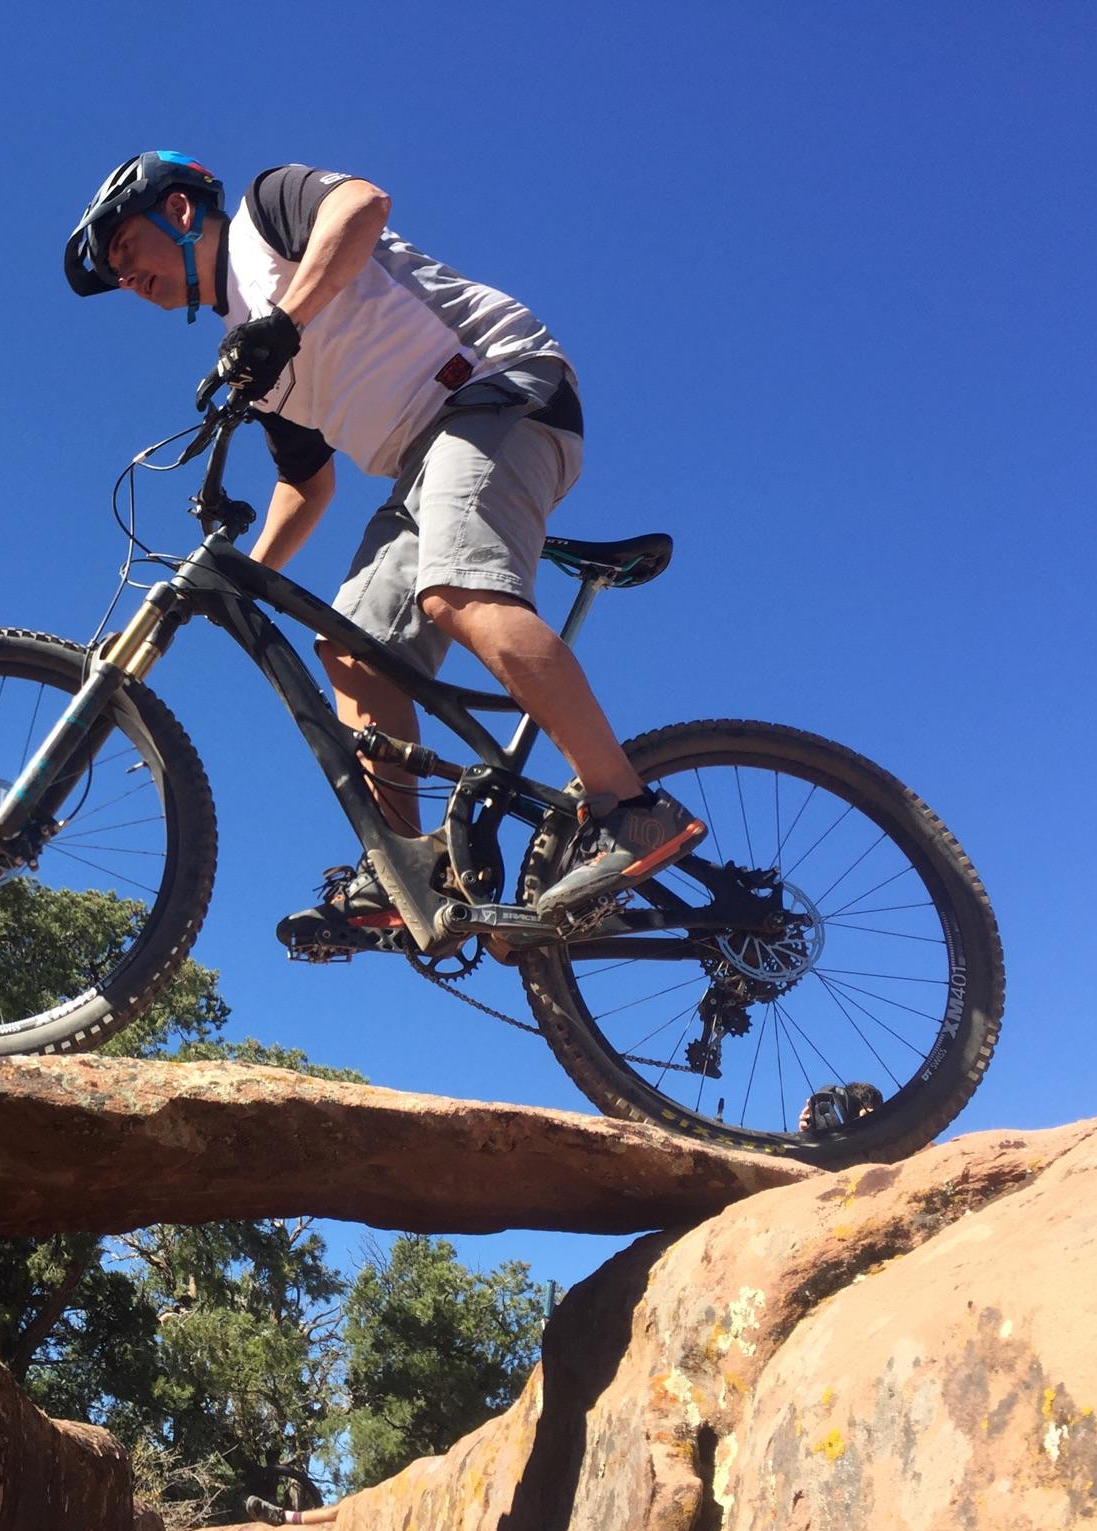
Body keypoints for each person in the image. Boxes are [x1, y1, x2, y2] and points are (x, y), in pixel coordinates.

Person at [64, 151, 705, 941]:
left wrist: (283, 323)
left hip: (502, 388)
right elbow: (307, 485)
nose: (124, 277)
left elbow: (362, 206)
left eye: (124, 249)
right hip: (422, 462)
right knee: (353, 646)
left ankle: (631, 808)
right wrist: (248, 576)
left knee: (456, 590)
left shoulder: (270, 214)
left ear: (181, 211)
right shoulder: (254, 358)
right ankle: (409, 869)